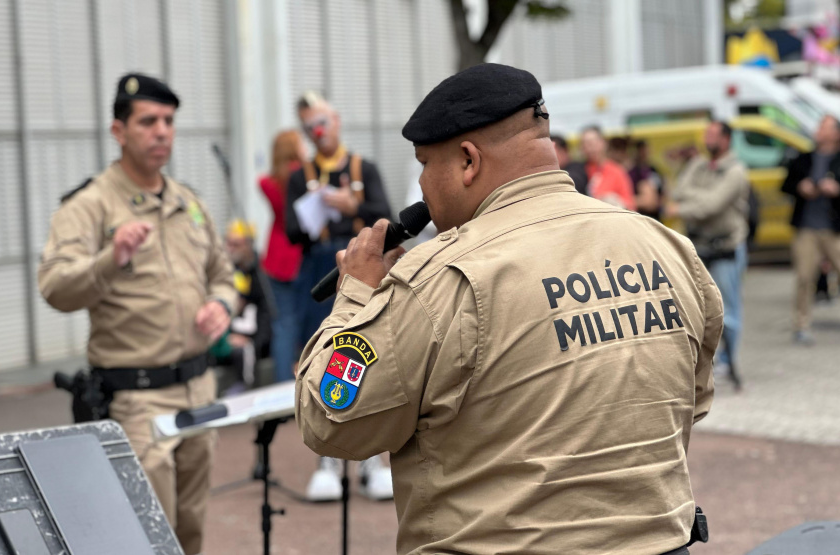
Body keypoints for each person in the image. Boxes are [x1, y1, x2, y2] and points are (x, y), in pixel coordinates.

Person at [296, 63, 720, 555]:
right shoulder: (664, 245)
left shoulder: (437, 280)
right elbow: (693, 397)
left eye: (425, 164)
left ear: (468, 161)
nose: (423, 186)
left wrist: (355, 297)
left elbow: (331, 419)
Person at [38, 73, 235, 555]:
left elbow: (222, 272)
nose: (162, 131)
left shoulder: (187, 201)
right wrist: (111, 259)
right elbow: (55, 286)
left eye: (168, 121)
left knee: (190, 529)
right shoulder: (90, 205)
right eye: (148, 121)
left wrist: (222, 304)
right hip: (138, 399)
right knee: (147, 534)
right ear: (119, 131)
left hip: (199, 388)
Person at [284, 92, 394, 502]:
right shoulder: (301, 175)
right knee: (321, 357)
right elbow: (290, 230)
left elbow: (386, 216)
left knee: (364, 354)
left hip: (361, 267)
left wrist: (354, 206)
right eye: (310, 127)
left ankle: (371, 460)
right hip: (319, 271)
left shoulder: (364, 167)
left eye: (322, 123)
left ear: (336, 121)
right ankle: (327, 460)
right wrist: (314, 213)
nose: (318, 132)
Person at [665, 121, 749, 385]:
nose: (706, 139)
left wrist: (685, 207)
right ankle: (704, 362)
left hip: (726, 247)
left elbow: (712, 206)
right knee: (695, 307)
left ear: (726, 139)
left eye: (712, 134)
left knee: (728, 310)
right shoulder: (697, 164)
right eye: (706, 134)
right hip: (698, 247)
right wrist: (701, 198)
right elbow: (679, 192)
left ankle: (726, 362)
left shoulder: (736, 171)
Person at [781, 115, 840, 346]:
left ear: (836, 134)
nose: (819, 129)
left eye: (824, 126)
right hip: (807, 229)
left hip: (836, 230)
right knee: (804, 279)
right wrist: (800, 187)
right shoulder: (803, 159)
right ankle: (801, 327)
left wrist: (838, 190)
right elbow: (785, 185)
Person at [259, 130, 305, 383]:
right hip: (299, 253)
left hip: (275, 255)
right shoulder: (304, 177)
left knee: (283, 324)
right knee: (306, 322)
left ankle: (282, 384)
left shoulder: (269, 183)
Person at [212, 219, 271, 394]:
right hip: (225, 338)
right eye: (228, 243)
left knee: (246, 352)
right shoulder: (222, 271)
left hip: (250, 340)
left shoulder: (260, 274)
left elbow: (267, 312)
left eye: (236, 244)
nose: (230, 248)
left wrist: (258, 342)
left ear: (248, 245)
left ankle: (246, 387)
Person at [580, 126, 637, 210]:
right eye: (586, 144)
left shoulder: (616, 171)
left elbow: (630, 205)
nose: (590, 148)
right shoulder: (580, 171)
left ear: (603, 143)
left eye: (593, 143)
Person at [628, 139, 663, 220]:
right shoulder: (632, 172)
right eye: (641, 150)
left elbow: (662, 191)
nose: (644, 153)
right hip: (639, 216)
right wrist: (642, 200)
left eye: (646, 149)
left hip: (656, 216)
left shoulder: (654, 170)